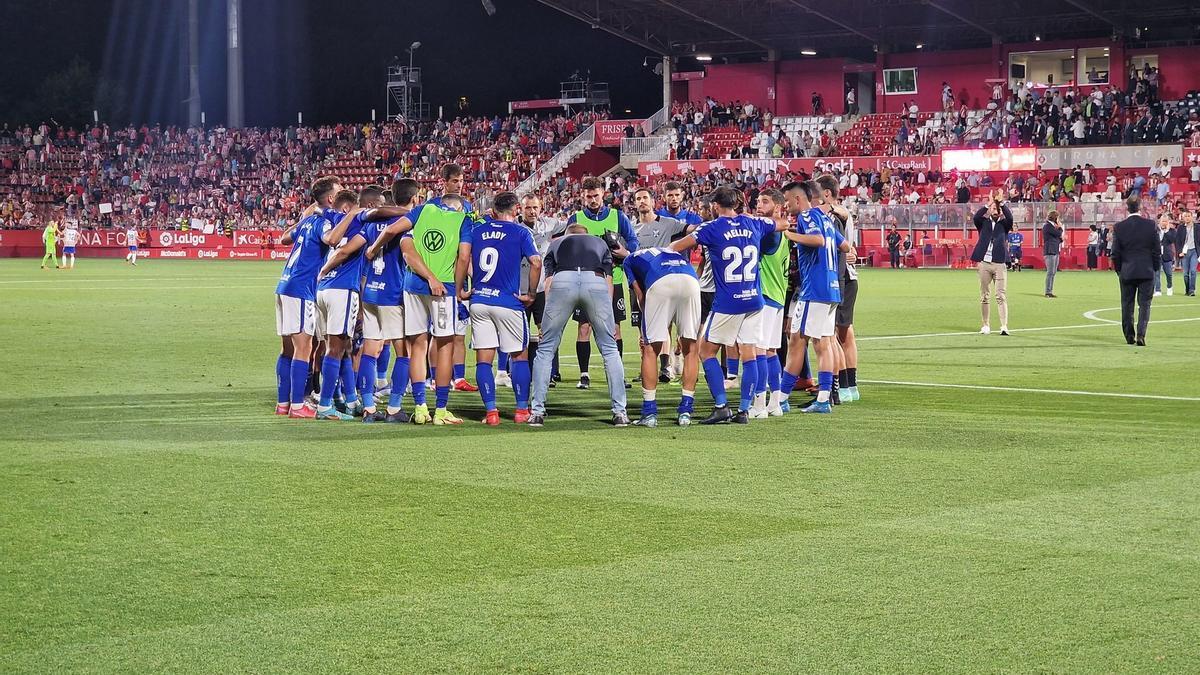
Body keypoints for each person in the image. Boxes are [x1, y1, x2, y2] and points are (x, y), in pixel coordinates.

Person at [669, 185, 786, 424]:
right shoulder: (753, 222)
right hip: (754, 298)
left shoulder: (710, 228)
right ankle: (744, 410)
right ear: (737, 203)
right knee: (750, 353)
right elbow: (782, 224)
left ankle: (722, 405)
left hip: (728, 302)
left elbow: (676, 246)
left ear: (715, 205)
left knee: (705, 350)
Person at [367, 193, 473, 426]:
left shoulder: (423, 211)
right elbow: (464, 256)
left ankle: (420, 407)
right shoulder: (463, 220)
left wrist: (374, 248)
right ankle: (441, 410)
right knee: (444, 346)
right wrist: (456, 288)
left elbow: (395, 233)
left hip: (413, 286)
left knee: (417, 345)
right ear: (460, 207)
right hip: (443, 289)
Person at [326, 179, 420, 423]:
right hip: (393, 294)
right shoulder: (407, 224)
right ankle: (394, 408)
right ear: (413, 198)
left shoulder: (369, 226)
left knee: (370, 349)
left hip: (370, 294)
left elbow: (348, 250)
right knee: (404, 352)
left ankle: (368, 407)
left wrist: (325, 269)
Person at [528, 224, 629, 428]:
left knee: (546, 349)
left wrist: (548, 318)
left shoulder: (556, 243)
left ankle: (537, 412)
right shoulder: (600, 243)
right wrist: (607, 318)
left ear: (568, 235)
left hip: (563, 280)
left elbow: (548, 281)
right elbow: (608, 281)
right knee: (609, 349)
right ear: (586, 234)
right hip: (596, 281)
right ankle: (620, 413)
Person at [456, 191, 542, 425]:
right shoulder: (521, 231)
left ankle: (491, 413)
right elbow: (536, 262)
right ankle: (521, 411)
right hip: (508, 302)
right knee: (519, 356)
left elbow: (464, 258)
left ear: (493, 211)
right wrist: (531, 293)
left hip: (480, 300)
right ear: (516, 210)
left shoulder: (476, 231)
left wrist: (461, 290)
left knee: (484, 359)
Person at [273, 175, 343, 419]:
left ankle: (283, 404)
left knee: (288, 350)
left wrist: (306, 216)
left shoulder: (307, 221)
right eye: (340, 191)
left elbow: (283, 238)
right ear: (332, 198)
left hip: (284, 285)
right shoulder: (325, 222)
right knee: (305, 347)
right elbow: (331, 240)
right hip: (302, 288)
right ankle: (297, 405)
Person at [777, 181, 850, 414]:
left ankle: (781, 398)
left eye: (787, 200)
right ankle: (823, 399)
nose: (786, 206)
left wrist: (789, 234)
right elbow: (846, 246)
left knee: (797, 341)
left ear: (798, 200)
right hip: (832, 289)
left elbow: (817, 240)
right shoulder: (827, 220)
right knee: (824, 343)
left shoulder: (807, 217)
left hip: (814, 290)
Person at [566, 177, 639, 390]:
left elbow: (633, 241)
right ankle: (584, 374)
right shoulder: (576, 218)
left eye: (596, 195)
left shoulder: (618, 216)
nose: (593, 200)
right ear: (583, 196)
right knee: (584, 328)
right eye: (589, 196)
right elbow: (567, 245)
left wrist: (625, 252)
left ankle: (616, 374)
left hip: (613, 280)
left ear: (603, 194)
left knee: (615, 329)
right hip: (585, 281)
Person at [624, 246, 701, 427]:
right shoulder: (667, 251)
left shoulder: (629, 261)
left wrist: (649, 325)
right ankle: (686, 412)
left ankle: (649, 413)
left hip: (662, 283)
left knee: (651, 349)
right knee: (690, 348)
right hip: (691, 281)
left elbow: (641, 297)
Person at [428, 163, 479, 394]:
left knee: (458, 332)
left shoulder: (467, 207)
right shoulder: (432, 207)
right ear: (444, 182)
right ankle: (432, 377)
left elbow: (468, 246)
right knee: (437, 333)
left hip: (460, 277)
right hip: (439, 277)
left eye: (461, 181)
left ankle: (458, 378)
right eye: (455, 181)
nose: (459, 185)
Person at [632, 187, 690, 382]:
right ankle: (646, 366)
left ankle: (665, 366)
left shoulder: (668, 224)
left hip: (661, 281)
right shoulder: (631, 228)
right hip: (639, 282)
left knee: (664, 324)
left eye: (645, 198)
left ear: (653, 200)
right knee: (643, 327)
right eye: (638, 198)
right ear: (634, 203)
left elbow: (691, 230)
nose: (642, 201)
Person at [817, 174, 861, 402]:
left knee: (832, 335)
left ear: (826, 194)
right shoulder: (843, 214)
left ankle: (841, 386)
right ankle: (849, 386)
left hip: (840, 276)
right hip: (848, 276)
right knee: (845, 333)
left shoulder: (835, 214)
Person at [516, 194, 567, 387]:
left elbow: (572, 224)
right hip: (519, 288)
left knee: (547, 330)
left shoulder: (549, 225)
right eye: (528, 208)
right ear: (521, 209)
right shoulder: (514, 227)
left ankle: (552, 372)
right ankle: (515, 372)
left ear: (541, 207)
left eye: (535, 208)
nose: (532, 211)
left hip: (541, 290)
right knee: (518, 332)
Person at [1111, 195, 1160, 346]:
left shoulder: (1119, 227)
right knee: (1145, 304)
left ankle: (1129, 336)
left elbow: (1115, 253)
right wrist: (1155, 268)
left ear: (1127, 208)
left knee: (1127, 304)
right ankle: (1141, 335)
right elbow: (1156, 251)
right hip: (1146, 270)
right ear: (1140, 207)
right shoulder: (1150, 225)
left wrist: (1120, 270)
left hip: (1127, 271)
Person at [970, 191, 1014, 336]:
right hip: (984, 263)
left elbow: (1010, 217)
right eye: (993, 209)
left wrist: (1001, 203)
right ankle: (986, 325)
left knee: (1001, 295)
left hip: (999, 263)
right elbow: (976, 217)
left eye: (998, 210)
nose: (996, 211)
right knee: (984, 295)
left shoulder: (1005, 224)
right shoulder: (983, 223)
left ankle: (1003, 326)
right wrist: (988, 204)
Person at [1154, 213, 1179, 297]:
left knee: (1168, 273)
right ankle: (1157, 290)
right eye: (1162, 221)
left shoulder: (1172, 231)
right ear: (1159, 222)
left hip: (1167, 255)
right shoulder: (1155, 230)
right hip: (1156, 254)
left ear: (1168, 222)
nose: (1164, 223)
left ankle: (1169, 287)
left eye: (1165, 221)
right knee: (1156, 273)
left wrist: (1167, 231)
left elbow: (1172, 240)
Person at [1042, 210, 1064, 298]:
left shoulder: (1051, 226)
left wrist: (1060, 238)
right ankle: (1048, 291)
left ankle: (1050, 290)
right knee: (1050, 272)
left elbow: (1058, 238)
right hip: (1050, 251)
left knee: (1053, 272)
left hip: (1054, 250)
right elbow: (1058, 234)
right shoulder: (1048, 226)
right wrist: (1060, 227)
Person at [1179, 210, 1199, 296]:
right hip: (1184, 253)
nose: (1187, 218)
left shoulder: (1198, 227)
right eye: (1185, 216)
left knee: (1193, 271)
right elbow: (1178, 241)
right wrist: (1180, 252)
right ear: (1183, 218)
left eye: (1188, 216)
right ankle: (1187, 289)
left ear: (1192, 217)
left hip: (1194, 251)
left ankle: (1192, 290)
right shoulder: (1180, 228)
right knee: (1185, 274)